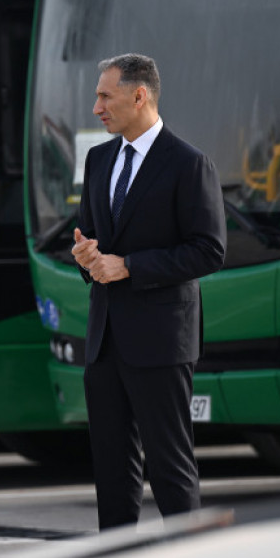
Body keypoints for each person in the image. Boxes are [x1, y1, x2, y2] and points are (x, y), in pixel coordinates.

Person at [70, 53, 225, 530]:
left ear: (139, 96)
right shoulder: (98, 159)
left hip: (161, 341)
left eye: (104, 96)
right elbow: (93, 240)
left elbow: (208, 251)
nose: (96, 106)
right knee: (112, 471)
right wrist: (87, 260)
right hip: (105, 341)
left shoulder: (188, 163)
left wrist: (129, 267)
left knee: (170, 467)